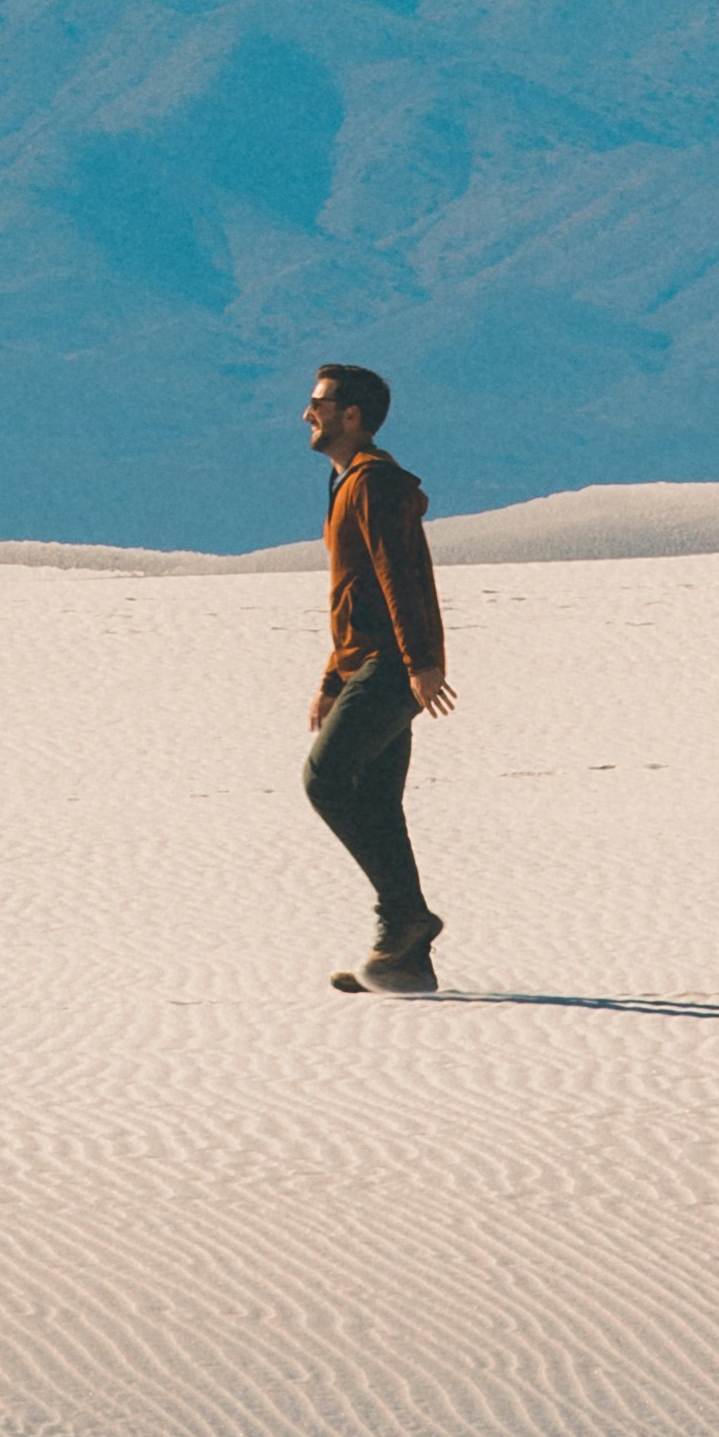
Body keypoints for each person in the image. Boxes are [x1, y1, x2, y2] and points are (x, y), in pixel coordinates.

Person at [301, 356, 451, 984]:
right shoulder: (349, 482)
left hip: (391, 666)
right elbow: (354, 596)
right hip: (371, 663)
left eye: (321, 403)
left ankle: (407, 918)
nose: (308, 413)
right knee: (378, 803)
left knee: (326, 780)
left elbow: (400, 576)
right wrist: (331, 683)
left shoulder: (373, 483)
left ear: (353, 416)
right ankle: (404, 963)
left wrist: (420, 663)